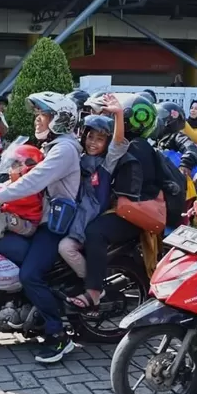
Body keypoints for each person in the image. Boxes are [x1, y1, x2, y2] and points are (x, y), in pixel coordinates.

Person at [0, 91, 81, 363]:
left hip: (54, 225)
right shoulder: (51, 146)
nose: (37, 119)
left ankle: (59, 336)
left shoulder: (64, 150)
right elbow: (22, 174)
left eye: (42, 115)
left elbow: (34, 181)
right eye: (37, 114)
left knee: (30, 275)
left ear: (60, 119)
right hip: (39, 218)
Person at [79, 94, 161, 316]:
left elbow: (116, 146)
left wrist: (115, 115)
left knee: (93, 232)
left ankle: (94, 290)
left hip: (133, 212)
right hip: (122, 208)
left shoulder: (137, 147)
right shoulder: (87, 155)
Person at [61, 98, 129, 308]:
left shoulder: (106, 164)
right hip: (71, 217)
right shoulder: (78, 157)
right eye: (90, 137)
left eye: (100, 139)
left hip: (88, 221)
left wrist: (118, 114)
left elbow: (118, 142)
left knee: (66, 248)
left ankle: (94, 284)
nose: (92, 142)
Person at [153, 101, 197, 202]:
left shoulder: (177, 137)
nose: (157, 120)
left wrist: (185, 164)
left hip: (176, 184)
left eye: (161, 116)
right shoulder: (153, 139)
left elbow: (191, 149)